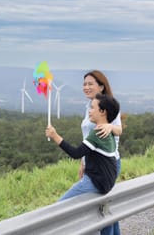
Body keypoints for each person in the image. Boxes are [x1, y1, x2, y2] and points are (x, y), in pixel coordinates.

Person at [45, 93, 120, 235]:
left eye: (92, 108)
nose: (89, 111)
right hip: (106, 184)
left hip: (93, 182)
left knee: (56, 210)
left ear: (103, 112)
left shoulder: (97, 132)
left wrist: (55, 136)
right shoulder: (107, 130)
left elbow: (76, 153)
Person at [81, 70, 123, 234]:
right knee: (105, 206)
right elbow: (87, 138)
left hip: (106, 163)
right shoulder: (90, 107)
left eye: (90, 83)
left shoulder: (108, 105)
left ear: (101, 86)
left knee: (102, 207)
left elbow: (119, 130)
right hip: (91, 163)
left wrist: (110, 126)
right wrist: (82, 162)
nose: (86, 87)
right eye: (84, 84)